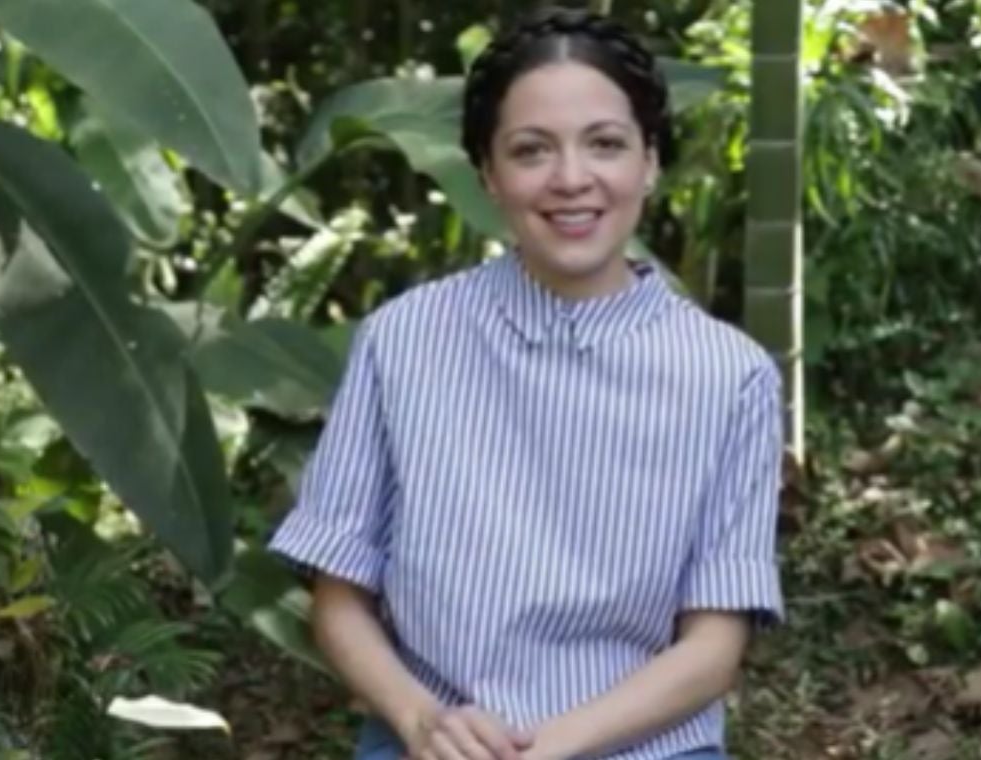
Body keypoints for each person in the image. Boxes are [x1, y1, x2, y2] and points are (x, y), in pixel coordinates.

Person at [268, 7, 785, 760]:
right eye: (531, 150)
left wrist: (546, 749)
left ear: (650, 161)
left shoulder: (730, 375)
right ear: (487, 172)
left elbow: (711, 648)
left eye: (605, 144)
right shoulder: (403, 340)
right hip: (432, 743)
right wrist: (420, 721)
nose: (572, 179)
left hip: (645, 748)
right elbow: (339, 594)